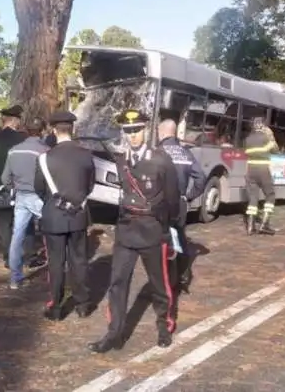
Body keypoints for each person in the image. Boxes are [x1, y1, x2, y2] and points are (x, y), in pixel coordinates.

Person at [88, 109, 181, 353]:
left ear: (146, 129)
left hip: (153, 230)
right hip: (127, 230)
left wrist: (166, 228)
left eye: (137, 130)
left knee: (159, 284)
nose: (133, 135)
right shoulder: (121, 160)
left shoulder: (161, 159)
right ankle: (114, 333)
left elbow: (173, 199)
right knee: (118, 283)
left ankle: (164, 326)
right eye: (128, 131)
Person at [34, 111, 96, 320]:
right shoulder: (86, 154)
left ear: (53, 130)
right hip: (79, 214)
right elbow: (90, 185)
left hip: (54, 216)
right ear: (73, 129)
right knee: (79, 260)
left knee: (56, 263)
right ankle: (83, 305)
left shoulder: (44, 159)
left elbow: (39, 188)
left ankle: (57, 307)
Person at [0, 105, 40, 268]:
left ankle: (9, 258)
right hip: (20, 185)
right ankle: (30, 256)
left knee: (5, 224)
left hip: (0, 186)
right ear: (15, 120)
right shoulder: (22, 138)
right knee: (26, 222)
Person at [1, 117, 51, 290]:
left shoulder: (13, 150)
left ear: (25, 131)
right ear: (43, 131)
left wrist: (14, 187)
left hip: (21, 196)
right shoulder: (45, 151)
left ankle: (15, 278)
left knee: (17, 236)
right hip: (39, 197)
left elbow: (4, 178)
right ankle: (57, 271)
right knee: (53, 231)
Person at [156, 119, 206, 294]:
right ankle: (183, 277)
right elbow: (201, 178)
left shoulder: (158, 152)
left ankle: (165, 282)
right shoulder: (186, 153)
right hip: (181, 204)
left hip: (162, 204)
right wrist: (189, 196)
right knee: (179, 238)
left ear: (161, 133)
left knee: (161, 241)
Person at [243, 115, 279, 235]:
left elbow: (247, 152)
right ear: (263, 126)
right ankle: (264, 224)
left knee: (253, 197)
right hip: (263, 169)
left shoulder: (247, 139)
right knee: (270, 195)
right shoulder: (265, 137)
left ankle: (250, 226)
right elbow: (275, 150)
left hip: (250, 169)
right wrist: (270, 136)